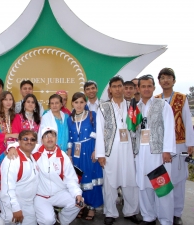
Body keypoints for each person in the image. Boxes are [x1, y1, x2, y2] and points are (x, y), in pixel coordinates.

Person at [7, 126, 83, 225]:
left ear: (56, 138)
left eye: (52, 136)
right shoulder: (35, 150)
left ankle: (62, 220)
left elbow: (71, 179)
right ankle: (49, 216)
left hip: (59, 193)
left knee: (77, 202)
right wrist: (11, 147)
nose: (49, 139)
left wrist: (77, 193)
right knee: (48, 221)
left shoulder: (63, 156)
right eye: (46, 136)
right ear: (41, 140)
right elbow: (22, 143)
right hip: (40, 196)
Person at [95, 76, 141, 225]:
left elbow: (138, 128)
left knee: (130, 180)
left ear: (123, 87)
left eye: (120, 86)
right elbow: (100, 131)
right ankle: (110, 212)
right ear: (110, 89)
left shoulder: (132, 105)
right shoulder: (103, 107)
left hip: (129, 148)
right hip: (111, 150)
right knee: (110, 181)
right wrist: (101, 154)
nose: (118, 89)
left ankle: (131, 211)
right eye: (114, 86)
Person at [134, 74, 176, 225]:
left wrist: (167, 151)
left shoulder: (162, 105)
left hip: (158, 153)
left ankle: (165, 220)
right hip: (141, 153)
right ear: (138, 88)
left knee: (161, 186)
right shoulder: (136, 107)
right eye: (143, 86)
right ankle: (148, 217)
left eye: (149, 86)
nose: (146, 89)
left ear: (153, 87)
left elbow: (170, 128)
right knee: (143, 185)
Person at [155, 68, 194, 225]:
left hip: (179, 145)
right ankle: (163, 211)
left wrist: (190, 144)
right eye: (162, 78)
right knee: (162, 178)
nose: (165, 80)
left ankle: (176, 212)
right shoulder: (156, 99)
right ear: (159, 81)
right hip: (160, 146)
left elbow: (186, 120)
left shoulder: (181, 98)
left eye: (168, 77)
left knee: (178, 179)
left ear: (174, 80)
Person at [67, 92, 103, 220]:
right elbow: (70, 139)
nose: (79, 105)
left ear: (85, 103)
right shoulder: (69, 119)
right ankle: (82, 206)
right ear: (72, 103)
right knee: (79, 179)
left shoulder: (92, 115)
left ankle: (92, 208)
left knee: (91, 178)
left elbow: (98, 134)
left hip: (89, 150)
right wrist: (69, 156)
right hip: (76, 154)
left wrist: (96, 151)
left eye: (82, 102)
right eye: (76, 102)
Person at [0, 130, 39, 225]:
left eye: (32, 139)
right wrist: (15, 208)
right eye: (25, 139)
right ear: (19, 141)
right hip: (9, 198)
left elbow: (48, 146)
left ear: (36, 142)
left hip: (27, 201)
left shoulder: (32, 155)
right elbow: (7, 188)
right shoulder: (13, 159)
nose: (29, 142)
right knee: (11, 219)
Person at [0, 91, 19, 191]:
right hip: (0, 151)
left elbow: (19, 134)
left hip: (14, 151)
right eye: (5, 99)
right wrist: (9, 135)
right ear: (1, 101)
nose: (8, 102)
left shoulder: (16, 117)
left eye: (10, 99)